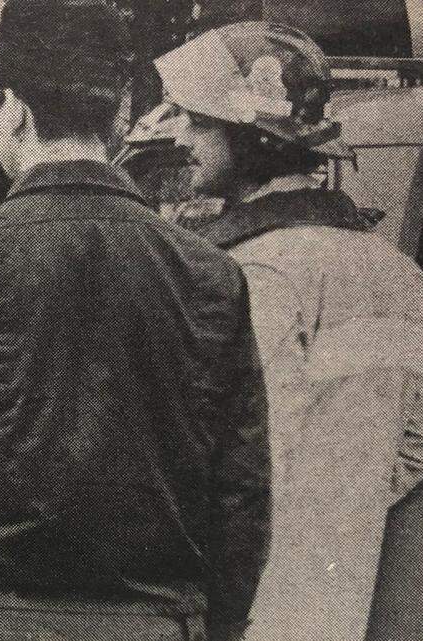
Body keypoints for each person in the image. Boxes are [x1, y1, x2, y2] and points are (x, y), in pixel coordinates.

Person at [0, 2, 273, 641]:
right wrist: (218, 624)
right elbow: (240, 491)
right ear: (117, 115)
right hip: (159, 622)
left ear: (12, 107)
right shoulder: (209, 274)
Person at [154, 21, 423, 641]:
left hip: (263, 599)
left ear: (251, 137)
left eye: (199, 120)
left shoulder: (256, 274)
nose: (182, 136)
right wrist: (347, 499)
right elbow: (411, 447)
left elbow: (242, 461)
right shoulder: (395, 270)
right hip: (358, 590)